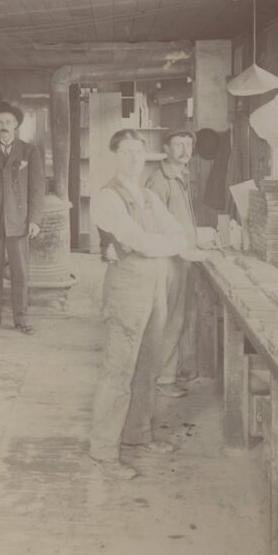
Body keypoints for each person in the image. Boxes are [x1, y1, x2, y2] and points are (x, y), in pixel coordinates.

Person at [88, 129, 207, 480]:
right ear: (115, 155)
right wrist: (158, 243)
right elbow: (138, 239)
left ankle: (138, 437)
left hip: (155, 284)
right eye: (125, 152)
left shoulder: (149, 197)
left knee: (148, 364)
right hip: (127, 287)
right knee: (118, 370)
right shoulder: (106, 197)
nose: (133, 158)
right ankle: (103, 451)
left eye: (138, 152)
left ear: (146, 156)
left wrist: (156, 243)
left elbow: (178, 234)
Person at [145, 130, 215, 399]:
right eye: (178, 144)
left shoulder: (182, 176)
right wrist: (181, 250)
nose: (185, 149)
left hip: (184, 258)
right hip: (170, 261)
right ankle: (163, 378)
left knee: (182, 316)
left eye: (188, 144)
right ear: (166, 148)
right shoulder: (160, 180)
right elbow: (151, 225)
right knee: (171, 319)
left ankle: (175, 368)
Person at [0, 102, 45, 335]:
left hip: (19, 221)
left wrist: (34, 219)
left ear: (16, 125)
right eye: (0, 122)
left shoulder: (29, 152)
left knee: (20, 272)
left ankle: (21, 318)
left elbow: (37, 189)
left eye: (8, 122)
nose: (4, 126)